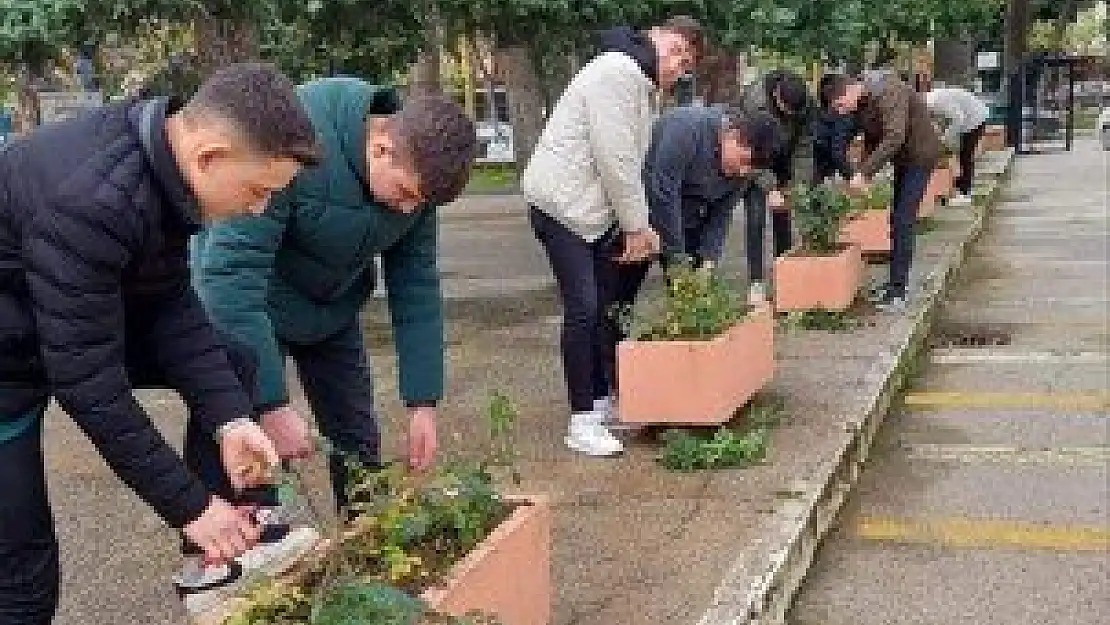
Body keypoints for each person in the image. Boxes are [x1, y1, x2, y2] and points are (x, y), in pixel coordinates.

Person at [0, 62, 320, 624]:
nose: (258, 208)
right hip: (7, 362)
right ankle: (212, 528)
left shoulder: (159, 164)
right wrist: (188, 504)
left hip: (53, 320)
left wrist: (231, 420)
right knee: (24, 573)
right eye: (256, 190)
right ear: (211, 155)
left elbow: (170, 304)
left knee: (230, 364)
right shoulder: (91, 201)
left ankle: (220, 556)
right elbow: (89, 384)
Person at [190, 78, 477, 533]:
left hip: (331, 310)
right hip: (253, 309)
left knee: (358, 444)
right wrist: (270, 404)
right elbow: (229, 277)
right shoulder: (296, 142)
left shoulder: (417, 183)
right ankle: (236, 556)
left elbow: (416, 286)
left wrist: (424, 403)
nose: (408, 211)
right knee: (248, 448)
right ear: (381, 146)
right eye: (404, 194)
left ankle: (366, 549)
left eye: (418, 203)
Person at [521, 17, 703, 457]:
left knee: (607, 304)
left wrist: (637, 225)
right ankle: (582, 420)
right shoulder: (618, 71)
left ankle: (602, 402)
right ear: (655, 34)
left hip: (592, 214)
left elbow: (630, 165)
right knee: (583, 307)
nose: (677, 63)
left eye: (686, 60)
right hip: (562, 207)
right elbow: (615, 157)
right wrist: (637, 227)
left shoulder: (640, 84)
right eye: (675, 49)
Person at [821, 72, 942, 312]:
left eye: (840, 105)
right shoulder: (863, 102)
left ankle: (898, 292)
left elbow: (894, 136)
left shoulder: (888, 90)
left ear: (848, 90)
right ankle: (894, 284)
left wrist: (864, 173)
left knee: (903, 220)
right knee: (896, 219)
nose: (842, 111)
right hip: (904, 161)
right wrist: (863, 174)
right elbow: (871, 139)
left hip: (920, 156)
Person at [642, 106, 781, 271]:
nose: (743, 172)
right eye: (744, 161)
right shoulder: (687, 130)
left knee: (692, 284)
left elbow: (721, 214)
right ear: (732, 135)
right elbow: (664, 194)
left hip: (689, 219)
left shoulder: (742, 173)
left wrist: (708, 261)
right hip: (640, 213)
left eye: (751, 169)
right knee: (622, 284)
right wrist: (676, 258)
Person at [736, 70, 816, 300]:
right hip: (754, 162)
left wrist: (798, 184)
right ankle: (756, 281)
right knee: (756, 218)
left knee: (783, 216)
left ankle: (785, 271)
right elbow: (746, 152)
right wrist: (769, 187)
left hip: (784, 160)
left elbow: (805, 146)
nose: (791, 115)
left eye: (794, 113)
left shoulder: (805, 104)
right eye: (786, 111)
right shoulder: (755, 103)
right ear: (776, 96)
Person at [924, 86, 990, 203]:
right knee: (962, 155)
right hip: (972, 116)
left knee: (966, 155)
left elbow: (958, 118)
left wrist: (945, 139)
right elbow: (939, 122)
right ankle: (961, 185)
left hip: (975, 119)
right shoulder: (933, 98)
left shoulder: (936, 102)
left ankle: (965, 193)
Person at [811, 74, 861, 183]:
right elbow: (836, 151)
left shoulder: (823, 111)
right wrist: (852, 175)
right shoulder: (845, 117)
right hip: (818, 161)